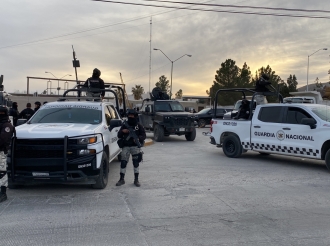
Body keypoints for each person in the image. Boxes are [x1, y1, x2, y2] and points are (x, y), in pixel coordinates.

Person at [116, 109, 146, 187]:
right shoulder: (124, 125)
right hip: (126, 146)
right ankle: (121, 179)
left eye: (132, 115)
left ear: (135, 116)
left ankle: (136, 180)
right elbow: (118, 135)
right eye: (129, 115)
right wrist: (123, 131)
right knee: (123, 162)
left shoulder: (138, 126)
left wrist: (138, 138)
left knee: (136, 163)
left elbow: (144, 135)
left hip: (135, 147)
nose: (130, 117)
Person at [0, 106, 15, 202]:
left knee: (1, 172)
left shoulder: (7, 126)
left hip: (1, 152)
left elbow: (3, 140)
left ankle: (2, 193)